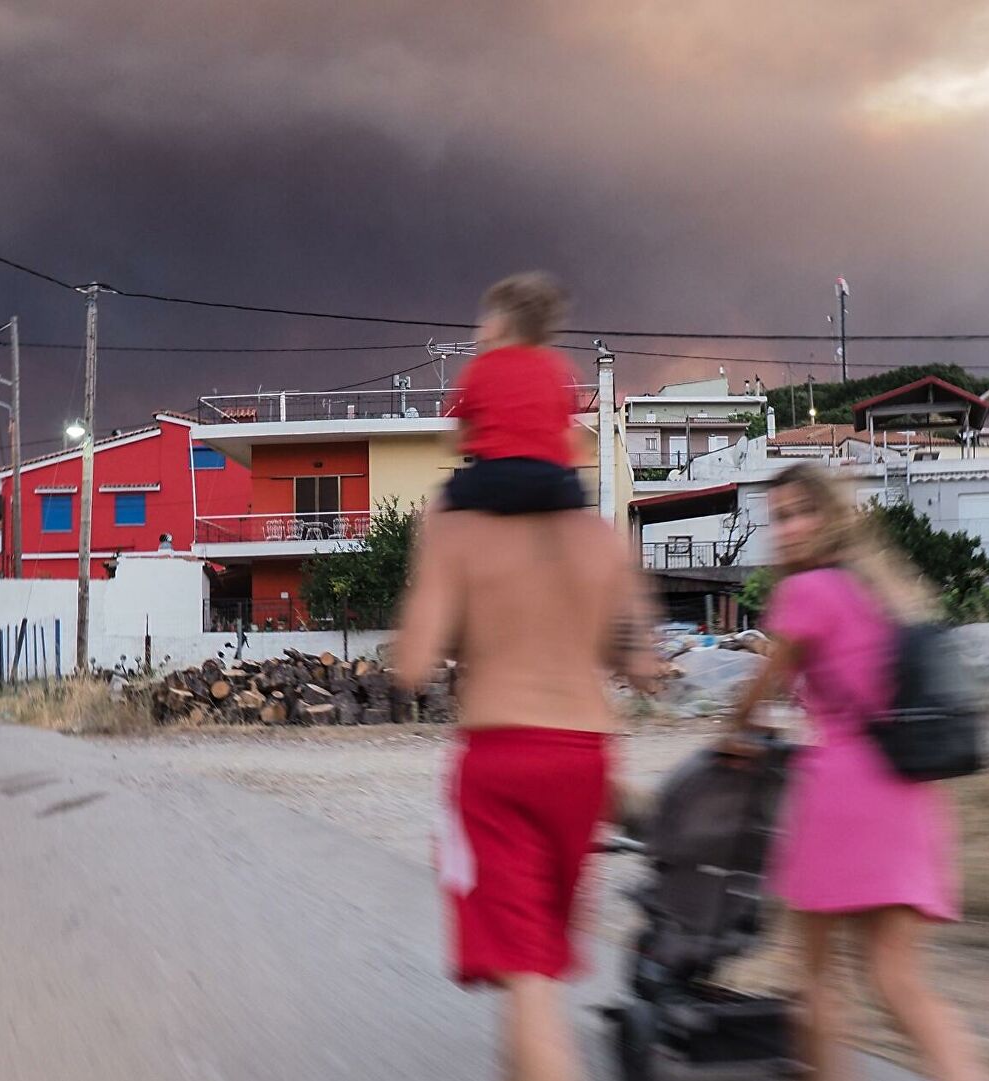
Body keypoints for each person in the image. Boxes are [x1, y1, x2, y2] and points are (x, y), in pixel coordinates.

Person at [726, 463, 989, 1081]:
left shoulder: (806, 594)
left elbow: (758, 693)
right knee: (897, 982)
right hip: (910, 799)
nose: (788, 530)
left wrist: (733, 735)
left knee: (817, 978)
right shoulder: (884, 589)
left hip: (841, 800)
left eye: (799, 514)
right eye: (778, 520)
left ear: (829, 516)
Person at [394, 505, 658, 1081]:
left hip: (502, 761)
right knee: (532, 964)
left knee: (528, 974)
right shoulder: (598, 537)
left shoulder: (460, 531)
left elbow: (412, 663)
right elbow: (640, 662)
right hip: (584, 764)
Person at [441, 272, 587, 515]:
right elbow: (569, 435)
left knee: (440, 510)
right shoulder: (558, 368)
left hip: (495, 478)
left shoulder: (480, 367)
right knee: (578, 501)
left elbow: (457, 438)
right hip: (549, 481)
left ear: (501, 326)